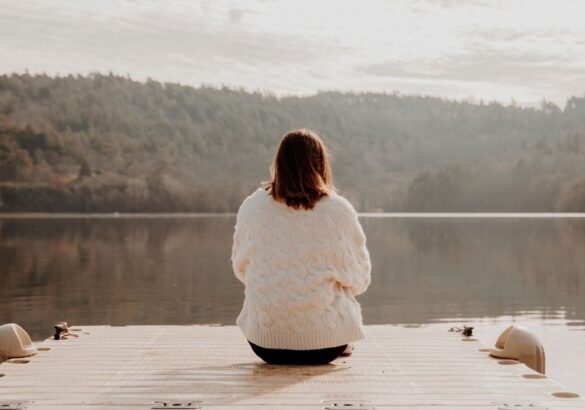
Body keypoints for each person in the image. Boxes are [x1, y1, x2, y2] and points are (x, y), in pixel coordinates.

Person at [231, 128, 371, 365]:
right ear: (321, 164)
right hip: (326, 346)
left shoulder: (252, 206)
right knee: (341, 292)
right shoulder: (339, 210)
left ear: (278, 164)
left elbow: (240, 268)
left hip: (265, 345)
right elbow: (360, 279)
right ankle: (336, 336)